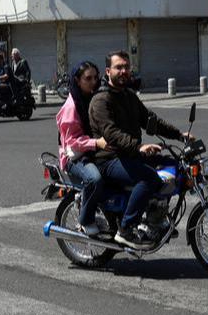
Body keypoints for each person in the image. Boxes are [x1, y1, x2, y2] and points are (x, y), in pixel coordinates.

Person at [89, 50, 187, 248]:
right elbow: (112, 134)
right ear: (108, 71)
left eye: (126, 67)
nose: (124, 71)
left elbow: (151, 121)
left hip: (131, 154)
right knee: (148, 177)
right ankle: (126, 229)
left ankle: (155, 217)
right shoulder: (101, 100)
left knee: (174, 166)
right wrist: (140, 146)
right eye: (119, 67)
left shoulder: (129, 96)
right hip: (108, 159)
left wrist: (179, 135)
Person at [56, 60, 109, 236]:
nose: (94, 81)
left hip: (92, 151)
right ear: (78, 81)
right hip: (75, 157)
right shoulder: (72, 106)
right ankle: (85, 220)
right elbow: (72, 141)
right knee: (95, 179)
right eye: (88, 78)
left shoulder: (92, 98)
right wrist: (96, 143)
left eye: (95, 77)